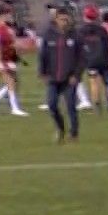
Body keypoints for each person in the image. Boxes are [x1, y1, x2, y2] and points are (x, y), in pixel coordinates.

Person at [37, 8, 83, 143]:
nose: (64, 22)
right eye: (62, 19)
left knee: (71, 106)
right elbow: (43, 55)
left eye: (66, 19)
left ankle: (73, 133)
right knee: (52, 105)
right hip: (53, 77)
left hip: (69, 78)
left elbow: (81, 58)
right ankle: (60, 128)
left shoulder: (75, 35)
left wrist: (76, 75)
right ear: (56, 20)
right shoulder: (49, 35)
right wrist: (43, 72)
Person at [0, 12, 26, 116]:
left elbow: (13, 45)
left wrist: (17, 56)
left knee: (14, 82)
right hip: (4, 60)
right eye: (5, 16)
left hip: (10, 59)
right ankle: (14, 108)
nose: (9, 18)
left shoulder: (9, 30)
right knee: (11, 82)